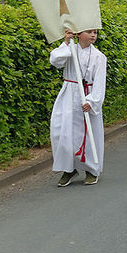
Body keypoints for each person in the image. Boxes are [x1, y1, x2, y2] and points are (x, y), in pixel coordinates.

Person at [51, 29, 106, 187]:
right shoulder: (70, 50)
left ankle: (91, 169)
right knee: (61, 131)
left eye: (95, 32)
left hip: (87, 95)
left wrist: (92, 101)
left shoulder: (99, 57)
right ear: (79, 34)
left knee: (89, 134)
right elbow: (55, 60)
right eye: (89, 32)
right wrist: (67, 42)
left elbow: (100, 82)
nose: (93, 35)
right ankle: (69, 168)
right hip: (69, 94)